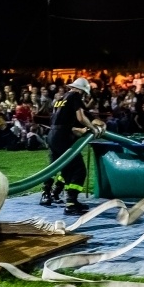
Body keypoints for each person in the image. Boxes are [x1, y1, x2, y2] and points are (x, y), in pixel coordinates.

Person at [40, 77, 106, 215]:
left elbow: (79, 114)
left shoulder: (60, 99)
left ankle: (48, 194)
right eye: (83, 93)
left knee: (56, 166)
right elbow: (81, 117)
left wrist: (97, 122)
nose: (83, 96)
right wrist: (92, 128)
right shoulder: (75, 95)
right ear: (81, 90)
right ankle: (71, 203)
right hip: (63, 136)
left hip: (52, 135)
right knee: (78, 170)